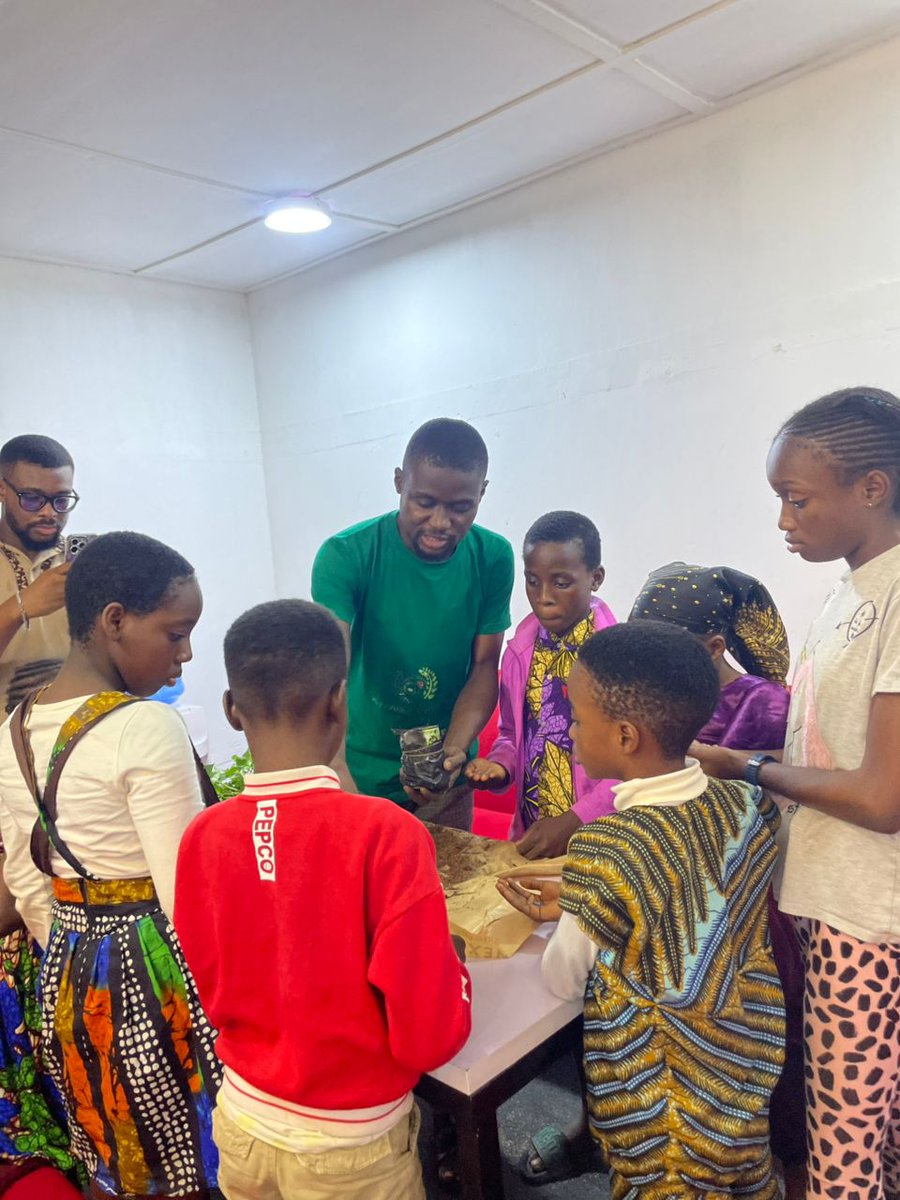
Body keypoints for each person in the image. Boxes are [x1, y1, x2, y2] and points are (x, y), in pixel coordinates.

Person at [174, 599, 472, 1200]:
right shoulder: (385, 833)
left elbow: (208, 983)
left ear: (232, 711)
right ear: (341, 701)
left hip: (241, 1124)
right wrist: (456, 969)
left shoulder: (202, 836)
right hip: (352, 1149)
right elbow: (428, 1035)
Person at [695, 386, 900, 1200]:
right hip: (827, 897)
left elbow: (884, 797)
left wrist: (744, 767)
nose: (784, 520)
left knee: (840, 1147)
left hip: (867, 918)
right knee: (872, 1134)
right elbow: (821, 742)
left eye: (798, 498)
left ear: (873, 489)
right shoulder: (848, 592)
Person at [498, 621, 785, 1199]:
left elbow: (563, 978)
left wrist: (576, 908)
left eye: (578, 718)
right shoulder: (750, 803)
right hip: (745, 1070)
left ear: (626, 736)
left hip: (659, 1109)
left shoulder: (609, 849)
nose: (571, 733)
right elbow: (702, 900)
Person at [0, 531, 221, 1198]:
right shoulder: (145, 727)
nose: (184, 655)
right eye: (175, 633)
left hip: (68, 974)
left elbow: (26, 881)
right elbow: (192, 902)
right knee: (195, 1156)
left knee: (120, 1157)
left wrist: (77, 951)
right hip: (157, 976)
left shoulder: (14, 726)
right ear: (114, 620)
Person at [630, 561, 805, 1196]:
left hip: (753, 914)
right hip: (681, 910)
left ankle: (786, 1166)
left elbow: (798, 781)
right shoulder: (669, 701)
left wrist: (728, 765)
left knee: (766, 1068)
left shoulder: (768, 705)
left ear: (712, 648)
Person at [312, 418, 514, 830]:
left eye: (461, 507)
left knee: (449, 890)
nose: (440, 523)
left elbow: (483, 666)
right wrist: (334, 767)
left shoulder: (493, 558)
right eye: (424, 502)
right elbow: (330, 673)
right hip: (359, 772)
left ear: (482, 493)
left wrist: (454, 750)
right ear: (399, 482)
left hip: (446, 780)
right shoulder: (346, 555)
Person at [0, 435, 82, 1187]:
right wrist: (26, 604)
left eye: (62, 498)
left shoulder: (77, 554)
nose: (50, 513)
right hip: (2, 783)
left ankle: (73, 1114)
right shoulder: (18, 573)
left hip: (71, 779)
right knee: (23, 931)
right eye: (34, 498)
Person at [466, 511, 617, 859]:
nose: (543, 597)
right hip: (534, 834)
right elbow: (511, 733)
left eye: (561, 583)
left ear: (595, 578)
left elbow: (636, 766)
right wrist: (500, 764)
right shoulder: (520, 650)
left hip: (598, 842)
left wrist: (577, 819)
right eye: (532, 581)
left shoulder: (619, 660)